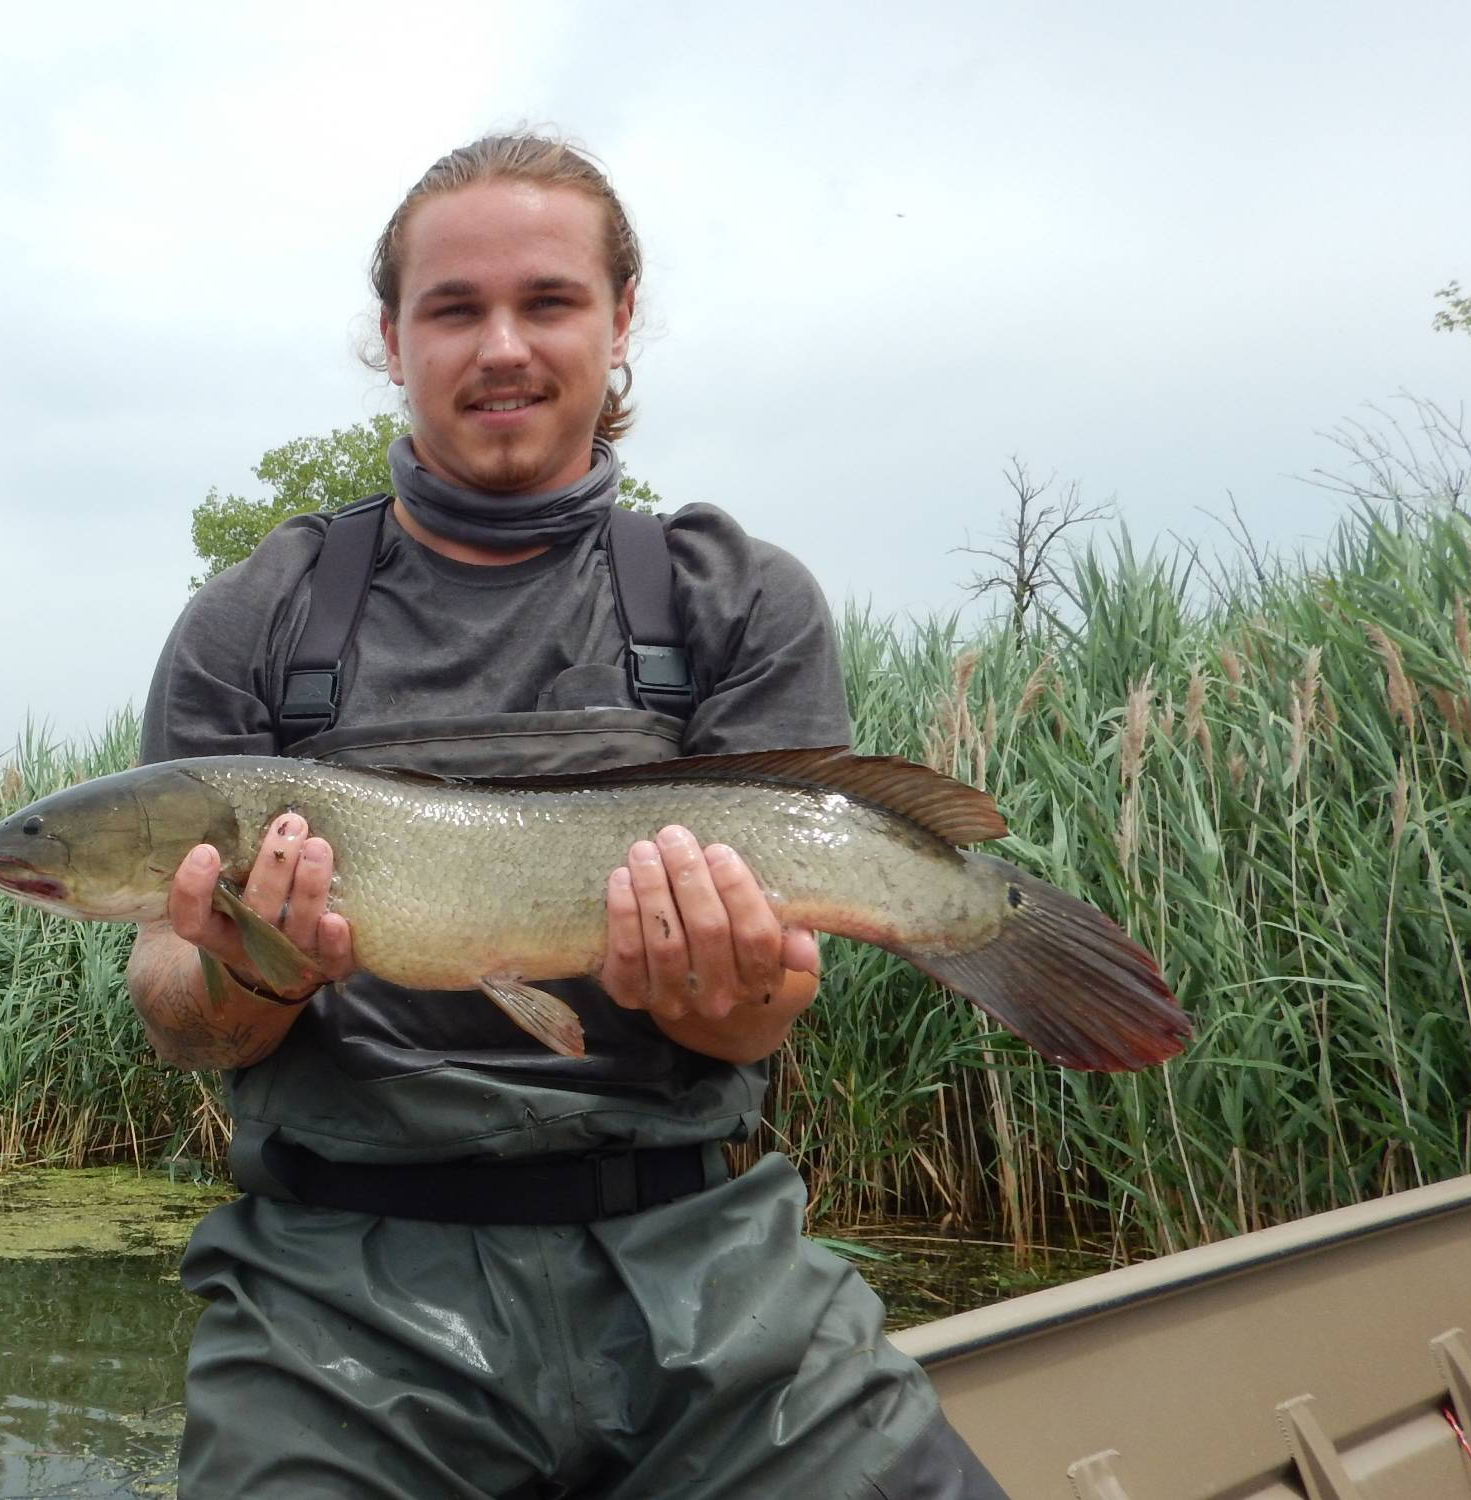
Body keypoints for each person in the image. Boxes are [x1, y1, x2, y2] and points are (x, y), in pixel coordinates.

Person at [130, 133, 1007, 1499]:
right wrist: (249, 976)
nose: (501, 348)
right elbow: (177, 1014)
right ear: (390, 337)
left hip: (702, 1261)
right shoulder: (259, 618)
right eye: (452, 308)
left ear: (619, 322)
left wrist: (718, 991)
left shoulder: (733, 599)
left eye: (546, 303)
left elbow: (757, 1020)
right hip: (336, 1297)